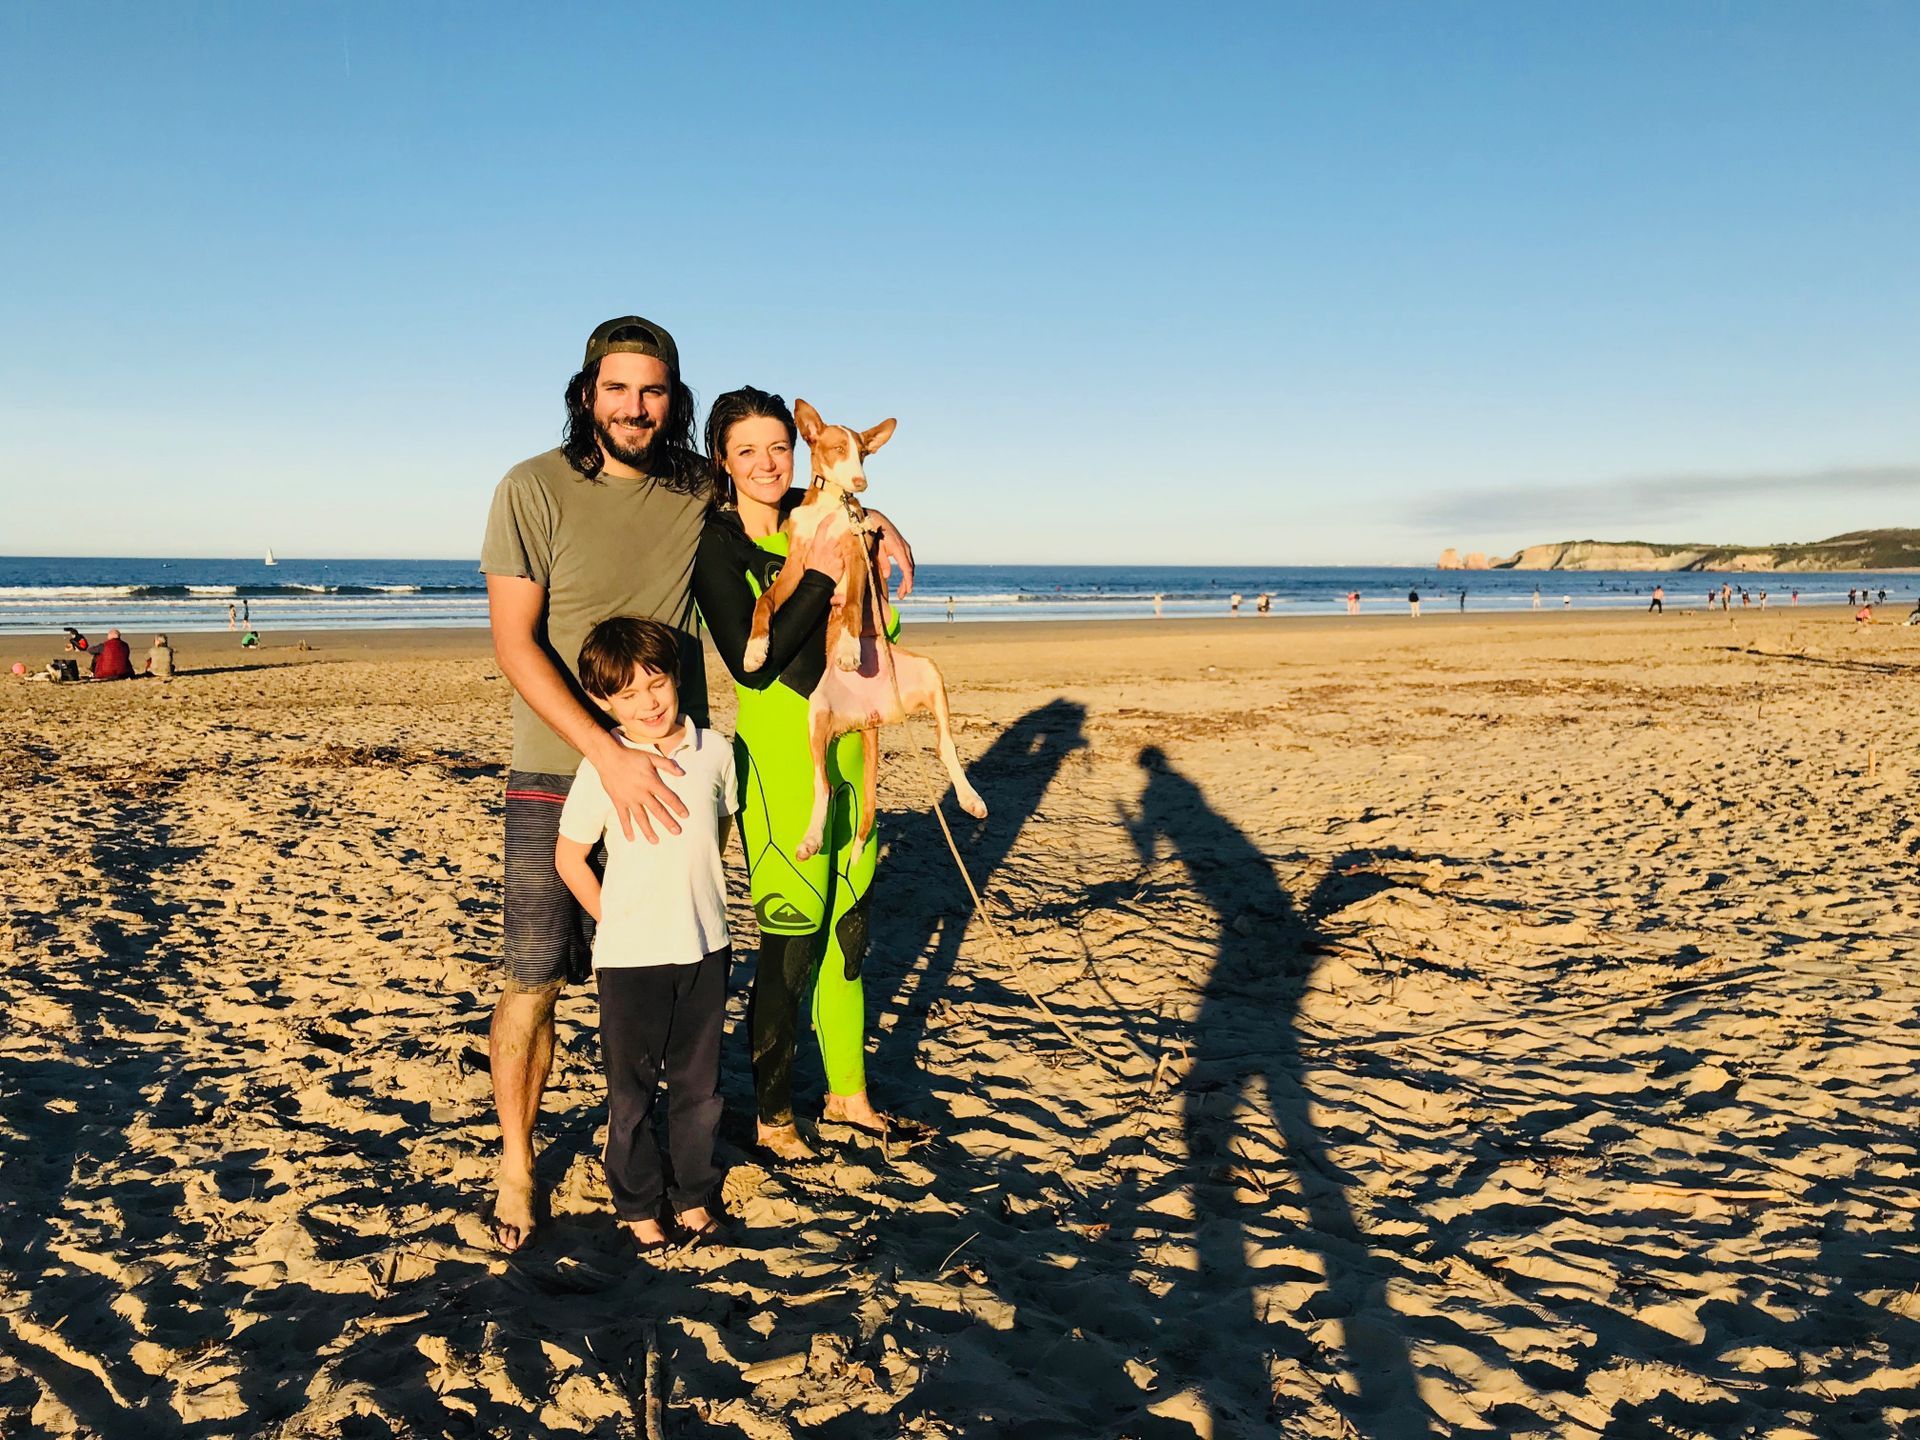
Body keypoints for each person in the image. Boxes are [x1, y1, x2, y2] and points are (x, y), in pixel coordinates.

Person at [479, 316, 920, 1247]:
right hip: (561, 763)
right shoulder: (531, 487)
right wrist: (604, 754)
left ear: (673, 400)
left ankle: (680, 1144)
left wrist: (881, 520)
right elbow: (515, 643)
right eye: (617, 389)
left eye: (653, 391)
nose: (635, 407)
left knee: (676, 954)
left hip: (675, 756)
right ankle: (518, 1163)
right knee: (534, 974)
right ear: (587, 391)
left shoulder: (692, 484)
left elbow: (798, 484)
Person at [692, 385, 931, 1160]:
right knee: (791, 941)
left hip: (852, 752)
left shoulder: (826, 519)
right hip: (780, 763)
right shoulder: (719, 547)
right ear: (721, 461)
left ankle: (849, 1096)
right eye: (745, 451)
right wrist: (828, 573)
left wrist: (875, 531)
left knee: (849, 936)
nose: (766, 463)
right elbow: (753, 670)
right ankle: (772, 1117)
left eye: (777, 448)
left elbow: (882, 629)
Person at [554, 618, 734, 1253]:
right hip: (631, 961)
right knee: (629, 1093)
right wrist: (616, 920)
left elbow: (719, 830)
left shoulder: (716, 750)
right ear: (603, 702)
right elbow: (569, 859)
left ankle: (692, 1195)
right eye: (627, 695)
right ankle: (636, 1204)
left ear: (676, 679)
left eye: (655, 684)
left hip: (708, 946)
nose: (648, 703)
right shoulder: (601, 765)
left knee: (699, 1089)